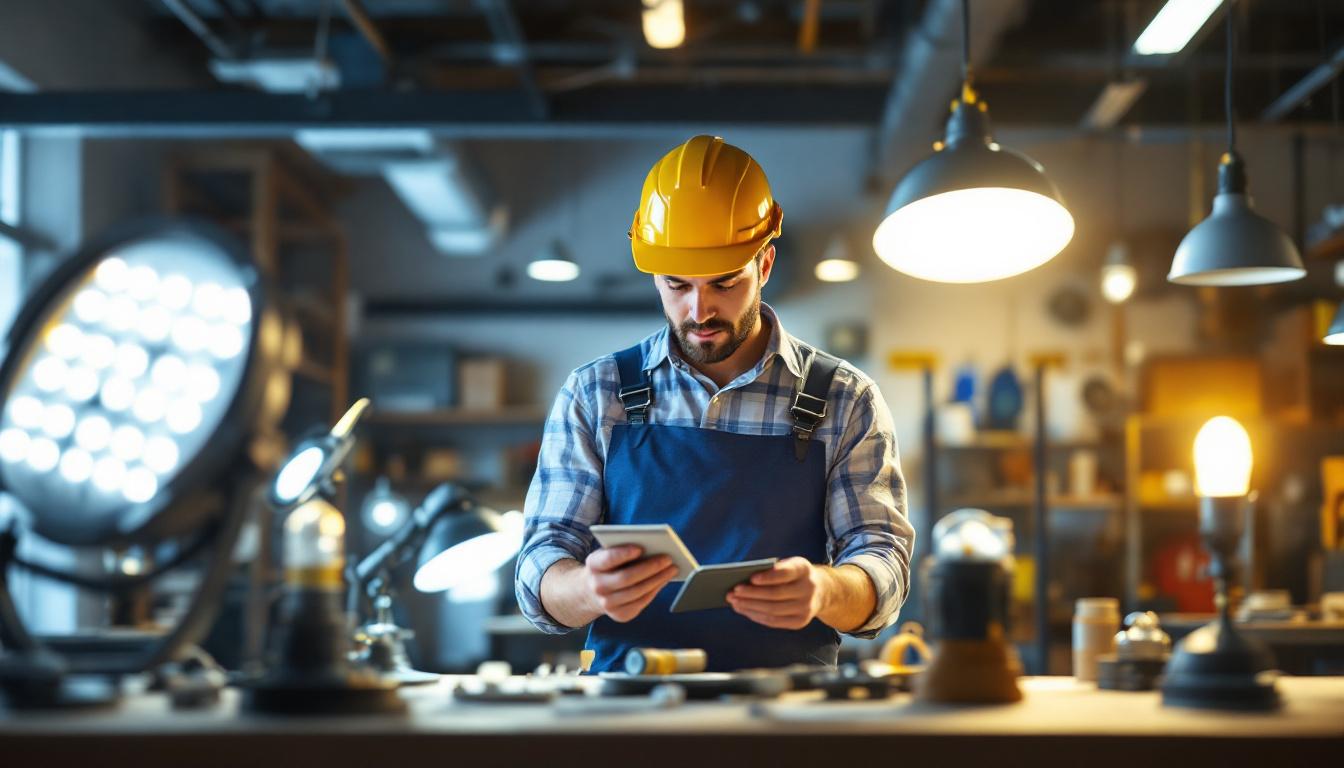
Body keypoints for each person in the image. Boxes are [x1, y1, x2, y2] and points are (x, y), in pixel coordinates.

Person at [514, 135, 913, 673]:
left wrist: (824, 589)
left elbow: (882, 563)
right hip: (631, 714)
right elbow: (540, 565)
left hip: (792, 719)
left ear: (765, 264)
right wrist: (588, 587)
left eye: (725, 283)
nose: (699, 309)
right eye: (677, 285)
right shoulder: (595, 394)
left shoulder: (844, 399)